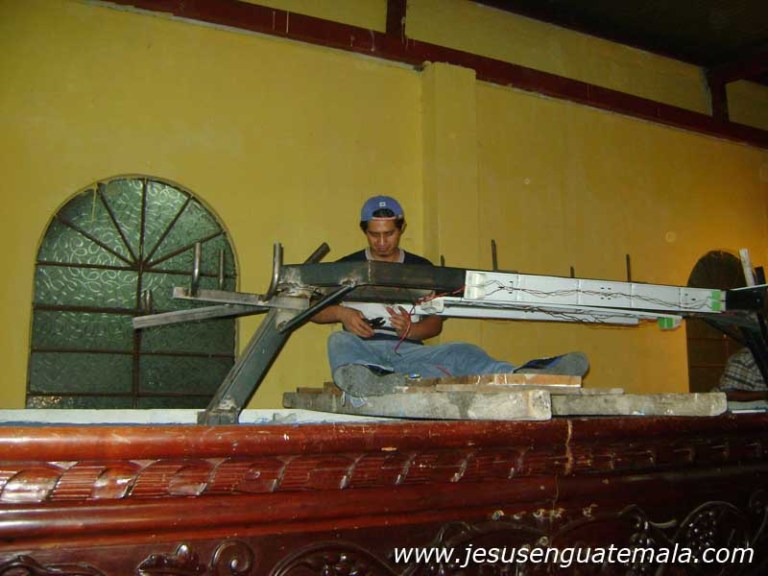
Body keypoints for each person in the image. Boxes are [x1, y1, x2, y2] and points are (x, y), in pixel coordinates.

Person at [311, 195, 588, 397]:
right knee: (338, 340)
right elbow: (313, 310)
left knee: (462, 351)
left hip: (410, 353)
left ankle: (522, 375)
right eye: (374, 235)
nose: (382, 242)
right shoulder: (346, 267)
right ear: (364, 231)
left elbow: (435, 324)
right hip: (363, 350)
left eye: (389, 234)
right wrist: (342, 313)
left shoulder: (422, 269)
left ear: (401, 228)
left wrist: (412, 330)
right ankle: (368, 378)